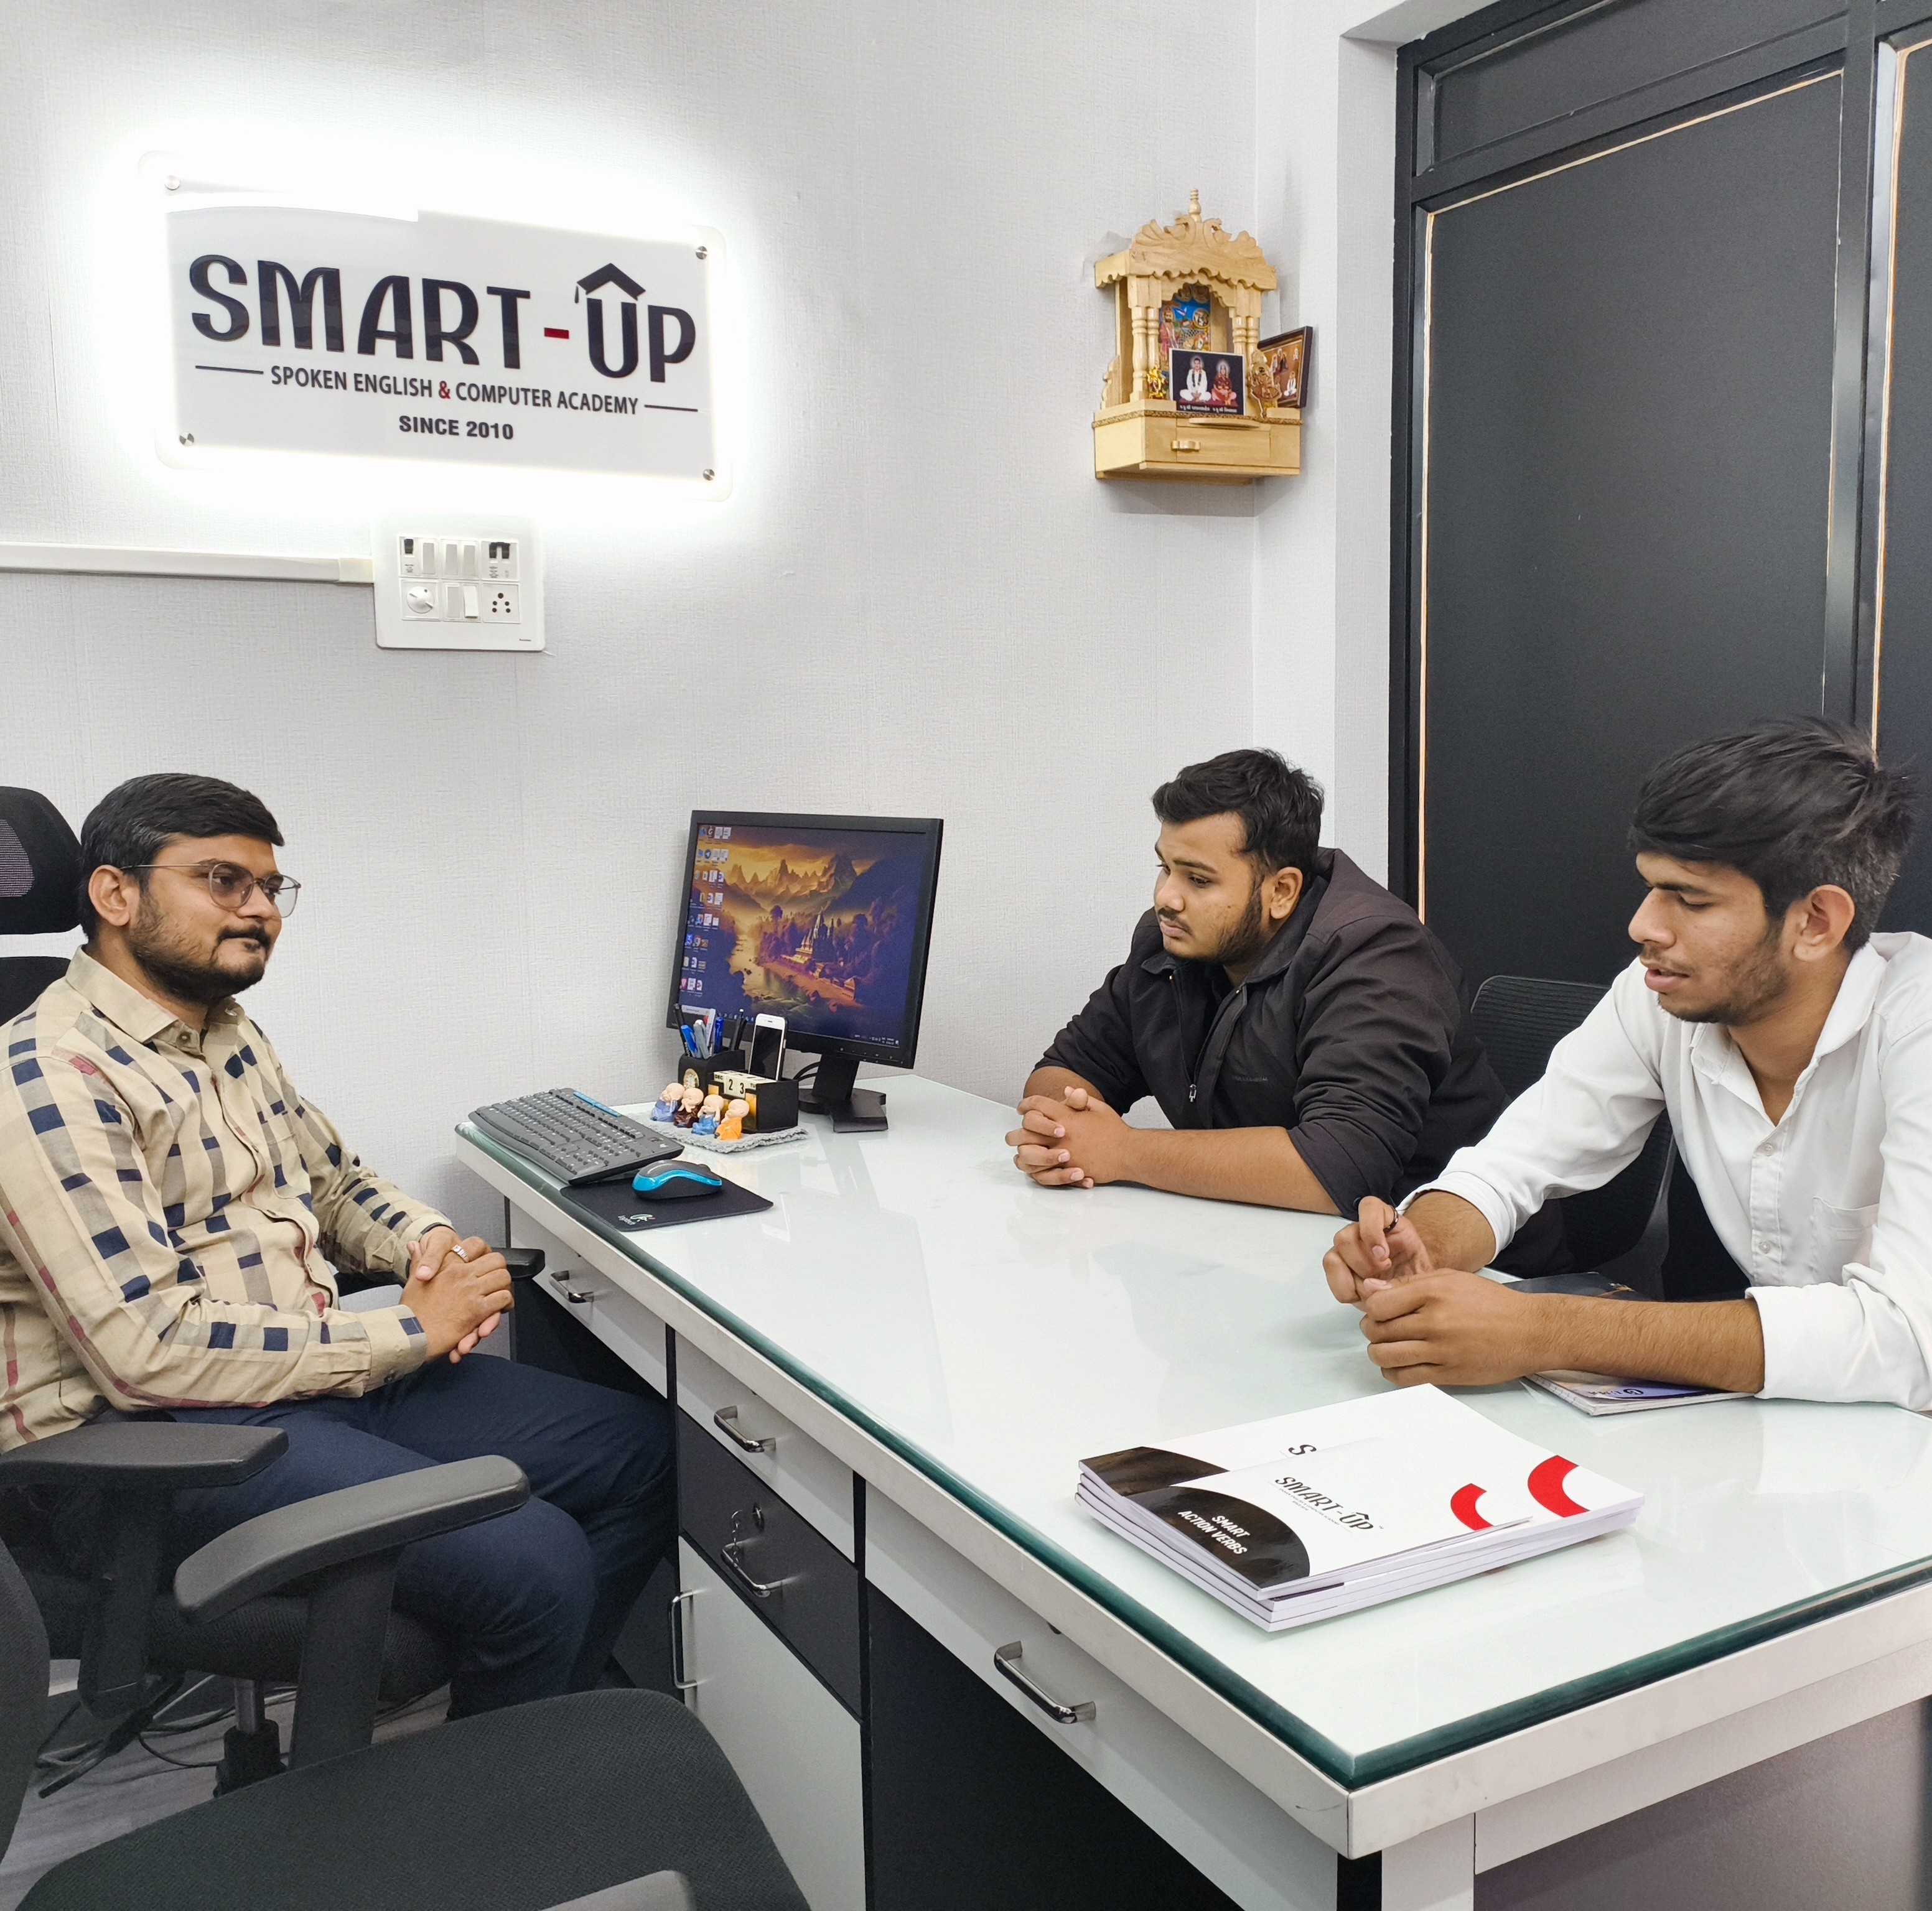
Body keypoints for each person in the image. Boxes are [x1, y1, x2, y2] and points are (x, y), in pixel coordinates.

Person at [0, 774, 674, 1714]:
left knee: (645, 1455)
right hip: (151, 1443)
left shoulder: (222, 1030)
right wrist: (412, 1331)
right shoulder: (49, 1072)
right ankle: (488, 1794)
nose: (261, 911)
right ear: (116, 894)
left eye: (271, 887)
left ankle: (526, 1728)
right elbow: (144, 1350)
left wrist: (430, 1251)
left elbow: (333, 1185)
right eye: (223, 881)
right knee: (536, 1558)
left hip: (303, 1381)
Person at [1323, 717, 1932, 1408]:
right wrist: (1421, 1242)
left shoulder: (1917, 1027)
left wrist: (1545, 1330)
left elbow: (1911, 1337)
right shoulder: (1659, 997)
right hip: (1803, 1427)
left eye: (1690, 899)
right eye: (1651, 888)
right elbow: (1515, 1162)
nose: (1644, 925)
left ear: (1816, 922)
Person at [1007, 748, 1539, 1234]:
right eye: (1164, 868)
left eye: (1197, 879)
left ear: (1281, 891)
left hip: (1461, 1266)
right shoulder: (1172, 940)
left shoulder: (1377, 955)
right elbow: (1067, 1067)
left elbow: (1340, 1167)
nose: (1166, 897)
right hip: (1260, 1244)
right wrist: (1063, 1136)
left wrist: (1122, 1151)